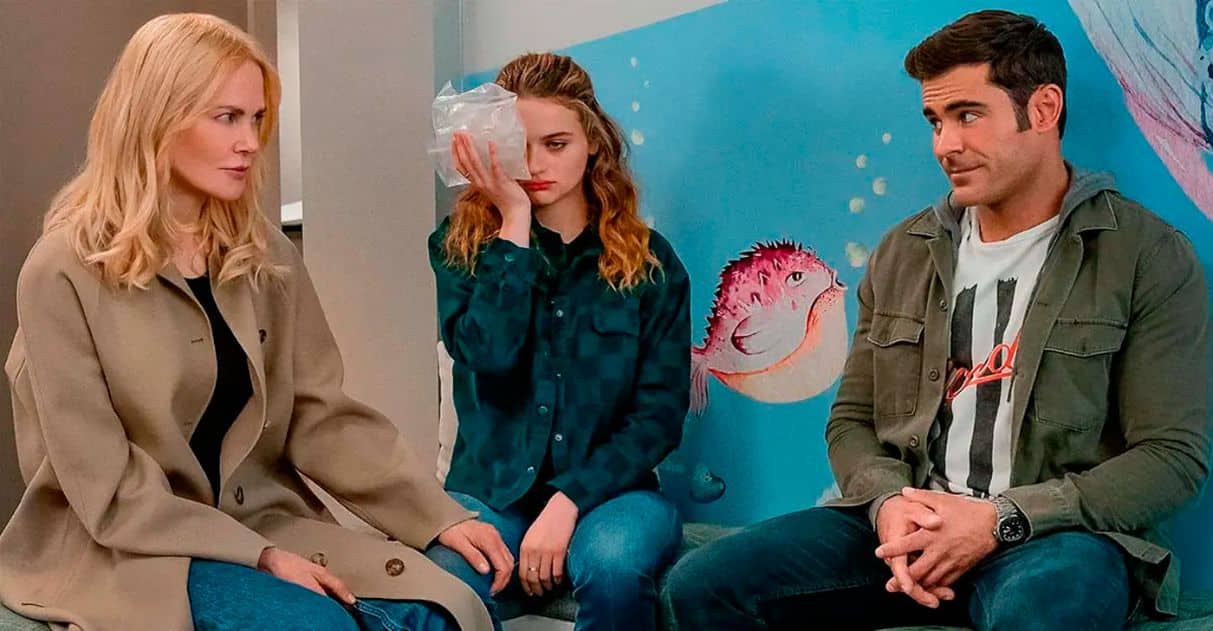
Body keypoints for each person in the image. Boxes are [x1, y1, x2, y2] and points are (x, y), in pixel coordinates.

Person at [661, 10, 1210, 630]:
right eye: (935, 120)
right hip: (905, 524)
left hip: (1053, 538)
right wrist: (887, 504)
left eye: (968, 115)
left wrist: (1001, 519)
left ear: (1044, 109)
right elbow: (852, 421)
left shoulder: (1144, 254)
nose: (945, 144)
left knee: (1045, 613)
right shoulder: (904, 251)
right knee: (701, 586)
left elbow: (1171, 459)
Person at [0, 13, 513, 631]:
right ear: (156, 118)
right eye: (227, 118)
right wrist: (261, 556)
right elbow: (106, 488)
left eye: (256, 118)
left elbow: (321, 416)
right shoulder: (61, 271)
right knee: (317, 625)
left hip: (261, 519)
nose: (250, 141)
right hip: (130, 546)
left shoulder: (264, 254)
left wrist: (434, 514)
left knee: (456, 589)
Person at [424, 52, 691, 631]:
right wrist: (513, 221)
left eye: (556, 144)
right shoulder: (459, 246)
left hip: (614, 495)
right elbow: (487, 355)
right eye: (518, 146)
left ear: (592, 142)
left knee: (614, 567)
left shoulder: (651, 263)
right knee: (439, 585)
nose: (534, 164)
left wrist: (568, 500)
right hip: (490, 492)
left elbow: (659, 417)